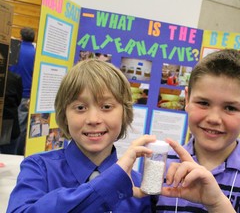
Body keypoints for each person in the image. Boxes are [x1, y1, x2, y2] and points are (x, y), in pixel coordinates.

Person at [6, 59, 157, 212]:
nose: (93, 119)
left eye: (106, 107)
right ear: (64, 115)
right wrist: (109, 184)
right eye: (80, 107)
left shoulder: (139, 185)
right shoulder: (40, 169)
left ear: (125, 113)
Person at [156, 49, 240, 212]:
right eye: (203, 103)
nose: (214, 118)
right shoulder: (161, 162)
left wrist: (217, 203)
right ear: (187, 100)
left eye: (230, 108)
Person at [9, 27, 36, 155]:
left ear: (21, 36)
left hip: (10, 92)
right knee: (21, 128)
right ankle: (18, 154)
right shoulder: (35, 53)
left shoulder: (15, 49)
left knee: (9, 125)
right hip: (26, 94)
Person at [0, 70, 23, 154]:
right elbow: (18, 101)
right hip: (9, 121)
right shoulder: (15, 78)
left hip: (9, 122)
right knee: (9, 157)